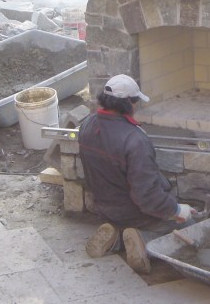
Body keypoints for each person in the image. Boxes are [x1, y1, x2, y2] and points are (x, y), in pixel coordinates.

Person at [79, 74, 197, 273]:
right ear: (128, 103)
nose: (136, 107)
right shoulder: (135, 140)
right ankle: (143, 240)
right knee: (187, 228)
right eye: (135, 102)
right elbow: (147, 198)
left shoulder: (87, 125)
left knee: (133, 220)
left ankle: (116, 237)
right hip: (135, 212)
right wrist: (176, 210)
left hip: (104, 207)